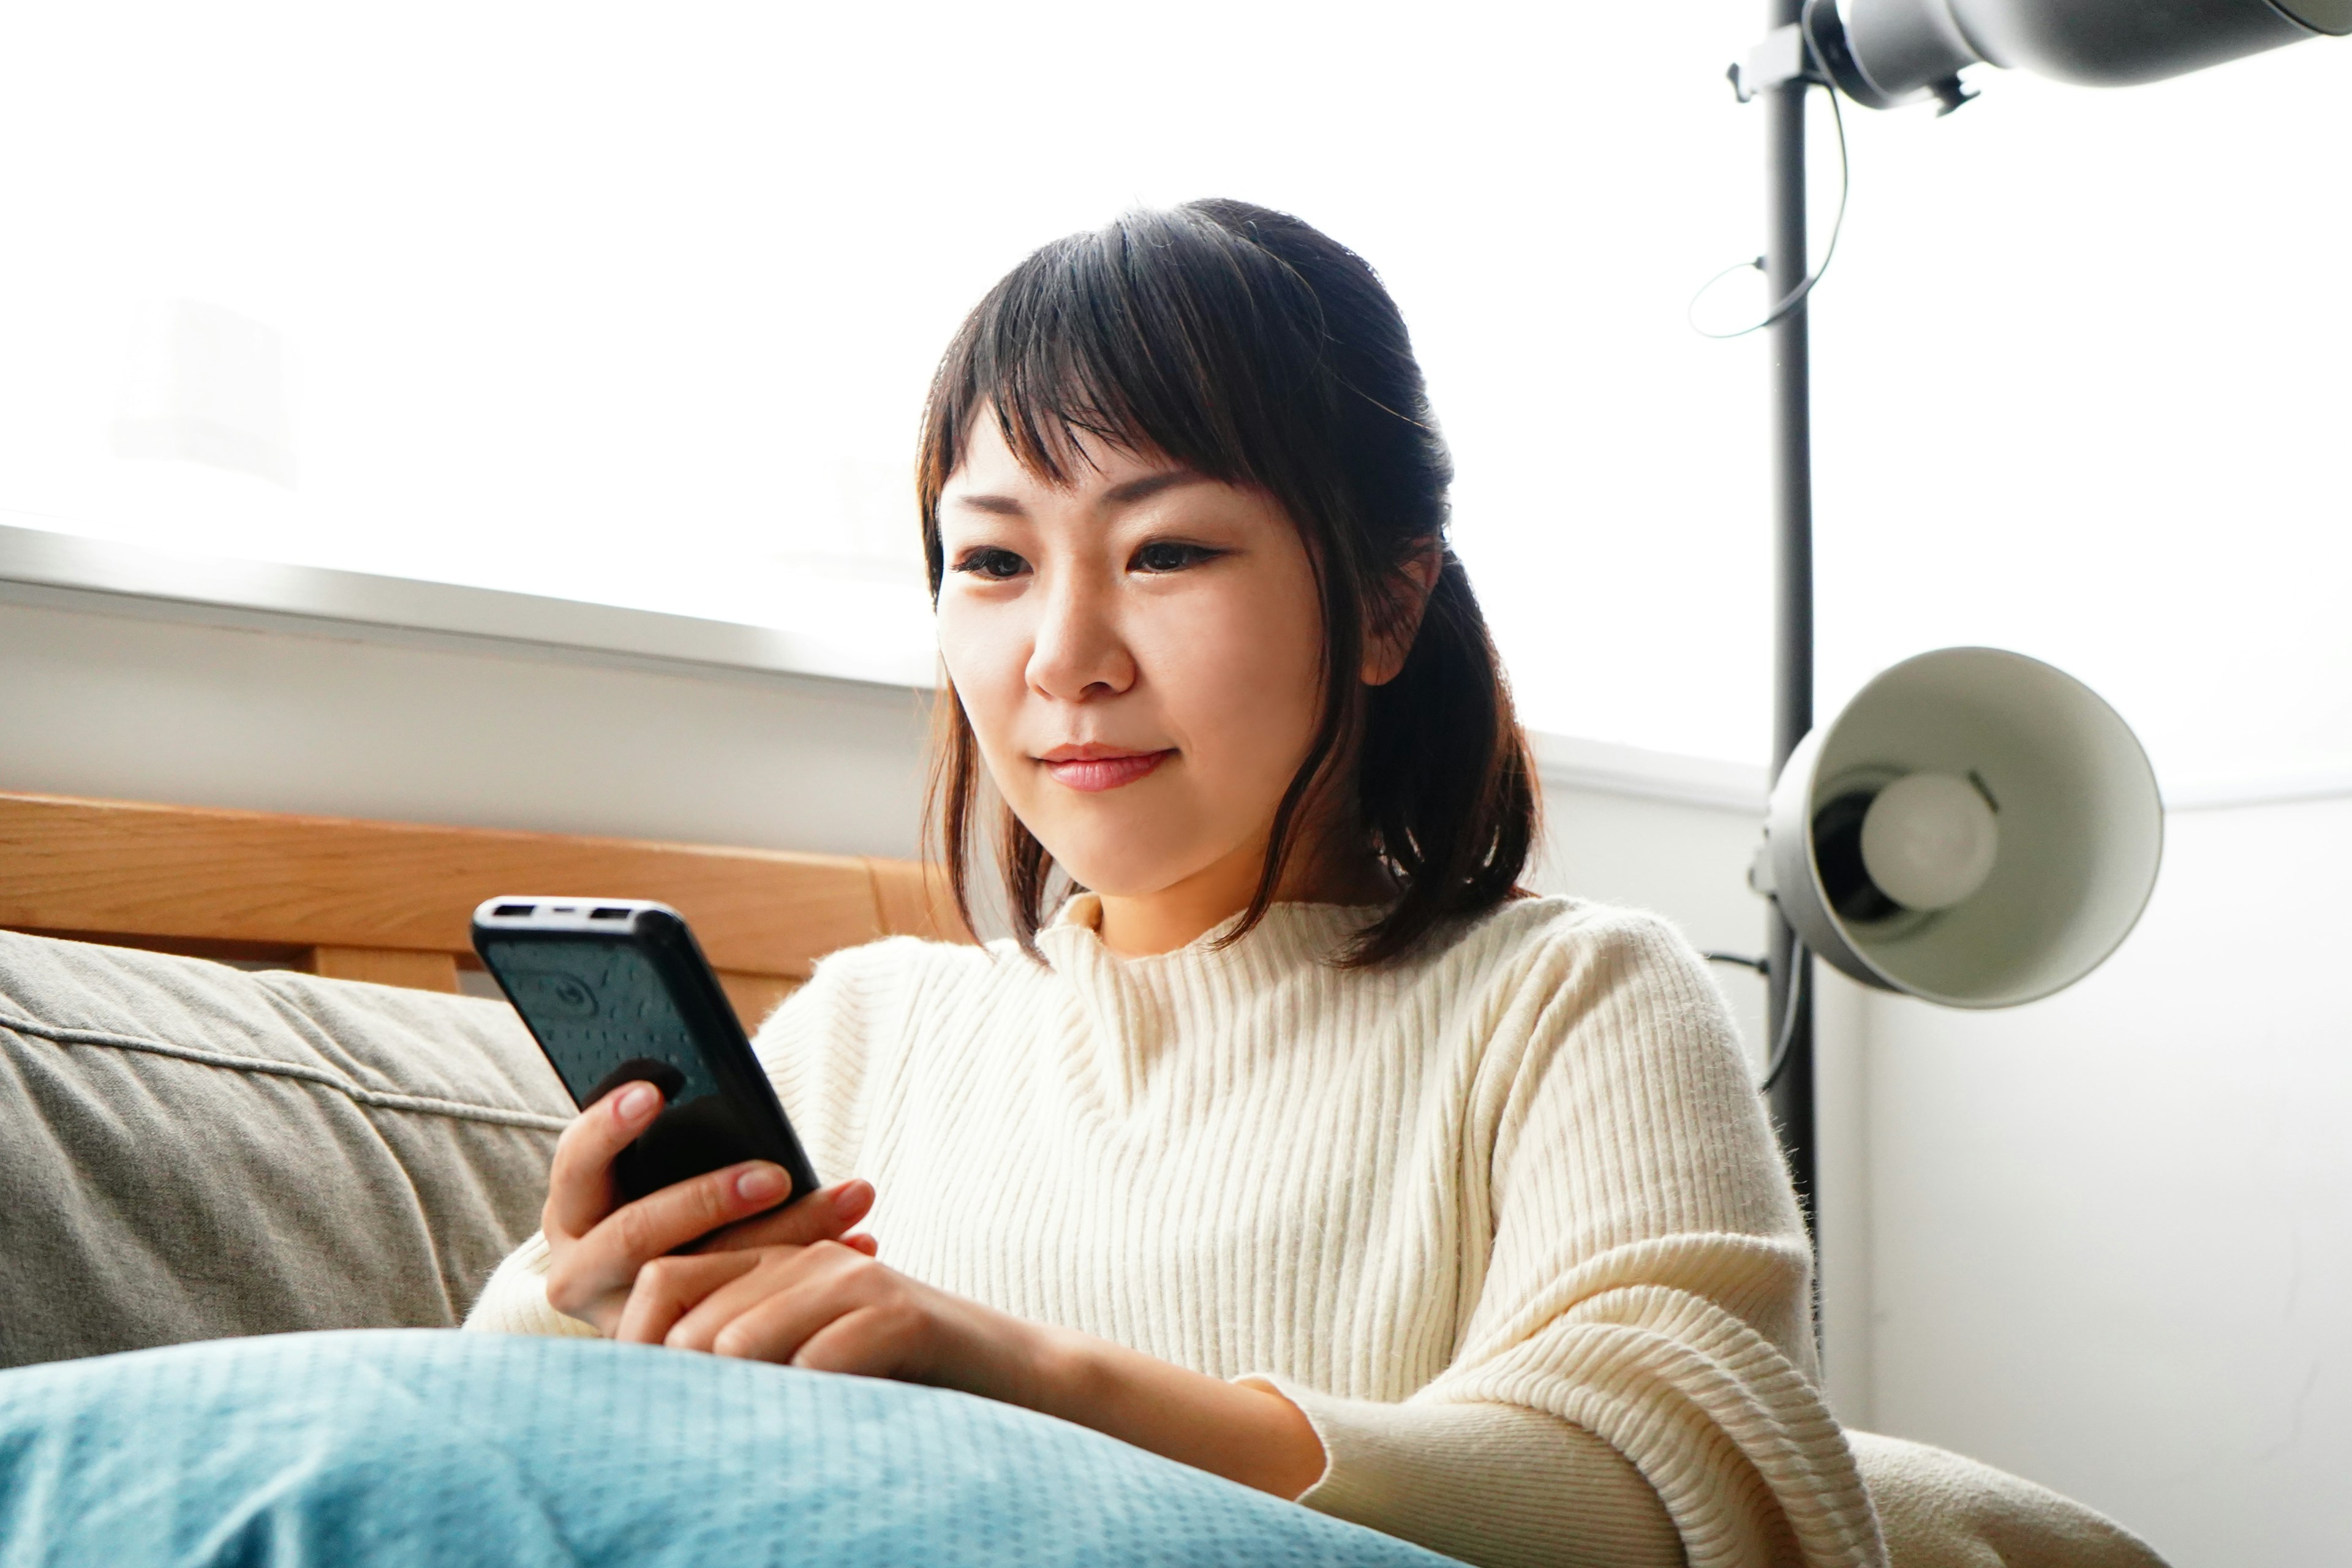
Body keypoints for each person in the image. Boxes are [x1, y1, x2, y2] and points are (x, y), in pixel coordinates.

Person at [466, 198, 1884, 1568]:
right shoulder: (869, 1032)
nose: (1065, 654)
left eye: (1167, 550)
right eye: (995, 559)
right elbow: (477, 1460)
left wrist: (1022, 1372)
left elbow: (1713, 1500)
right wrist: (580, 1300)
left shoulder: (1569, 1002)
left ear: (1387, 601)